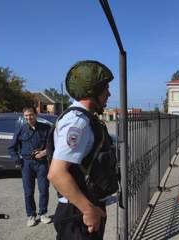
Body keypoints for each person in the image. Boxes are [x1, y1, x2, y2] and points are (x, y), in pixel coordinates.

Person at [47, 60, 118, 240]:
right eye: (105, 89)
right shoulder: (77, 122)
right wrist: (88, 210)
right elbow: (56, 174)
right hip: (78, 213)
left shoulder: (87, 119)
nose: (109, 93)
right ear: (92, 92)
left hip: (85, 208)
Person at [8, 106, 51, 227]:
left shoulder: (45, 128)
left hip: (42, 163)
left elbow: (52, 145)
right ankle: (31, 215)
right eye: (26, 116)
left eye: (31, 115)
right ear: (24, 116)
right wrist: (17, 160)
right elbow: (12, 147)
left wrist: (43, 152)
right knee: (28, 191)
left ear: (36, 114)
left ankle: (43, 213)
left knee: (43, 189)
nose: (29, 118)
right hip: (26, 164)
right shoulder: (21, 129)